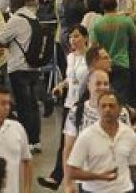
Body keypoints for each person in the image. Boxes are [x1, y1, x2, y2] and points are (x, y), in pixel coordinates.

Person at [38, 25, 91, 190]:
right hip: (69, 104)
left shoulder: (90, 57)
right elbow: (70, 78)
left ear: (85, 38)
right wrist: (61, 85)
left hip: (84, 105)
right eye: (70, 37)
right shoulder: (70, 57)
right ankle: (57, 177)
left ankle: (83, 179)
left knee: (83, 143)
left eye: (76, 36)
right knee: (65, 143)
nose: (72, 40)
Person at [0, 0, 42, 153]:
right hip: (34, 67)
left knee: (23, 106)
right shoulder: (33, 18)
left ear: (13, 4)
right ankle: (36, 140)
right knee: (34, 105)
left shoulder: (15, 20)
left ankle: (27, 141)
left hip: (19, 67)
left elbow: (0, 40)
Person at [67, 90, 136, 193]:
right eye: (103, 106)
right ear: (98, 109)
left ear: (120, 109)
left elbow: (132, 167)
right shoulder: (86, 136)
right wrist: (99, 176)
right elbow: (72, 172)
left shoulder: (130, 134)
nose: (107, 110)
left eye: (111, 106)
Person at [90, 0, 136, 105]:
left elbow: (93, 46)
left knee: (104, 94)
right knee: (121, 96)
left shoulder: (97, 24)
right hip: (123, 62)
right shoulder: (126, 21)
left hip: (104, 65)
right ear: (116, 5)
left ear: (102, 7)